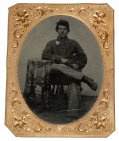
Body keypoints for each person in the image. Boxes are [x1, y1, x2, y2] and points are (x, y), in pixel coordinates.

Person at [42, 19, 98, 115]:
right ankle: (84, 78)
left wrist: (78, 64)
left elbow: (83, 58)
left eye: (64, 29)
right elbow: (44, 55)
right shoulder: (51, 43)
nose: (62, 31)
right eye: (60, 29)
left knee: (74, 84)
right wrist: (60, 59)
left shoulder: (73, 43)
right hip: (56, 73)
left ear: (68, 31)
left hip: (71, 73)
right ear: (57, 30)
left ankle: (73, 114)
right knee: (57, 66)